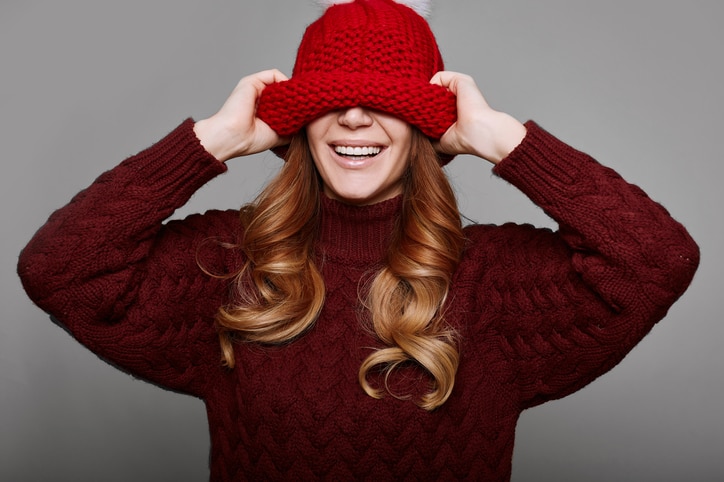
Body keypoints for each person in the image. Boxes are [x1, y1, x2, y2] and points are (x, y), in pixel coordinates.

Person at [17, 0, 699, 480]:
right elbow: (59, 270)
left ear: (424, 126)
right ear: (303, 122)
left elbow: (658, 260)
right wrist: (213, 141)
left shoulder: (492, 281)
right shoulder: (231, 267)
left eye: (385, 101)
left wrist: (501, 140)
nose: (351, 116)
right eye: (329, 99)